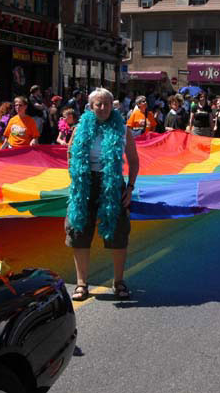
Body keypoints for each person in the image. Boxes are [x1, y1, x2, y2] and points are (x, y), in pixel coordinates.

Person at [66, 88, 140, 301]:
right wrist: (76, 181)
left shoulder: (122, 130)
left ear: (113, 106)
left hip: (112, 183)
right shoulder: (79, 128)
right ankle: (81, 284)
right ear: (90, 107)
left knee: (118, 232)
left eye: (107, 104)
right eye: (99, 104)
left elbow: (133, 161)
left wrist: (130, 187)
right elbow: (70, 153)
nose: (103, 108)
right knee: (78, 230)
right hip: (85, 183)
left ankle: (118, 282)